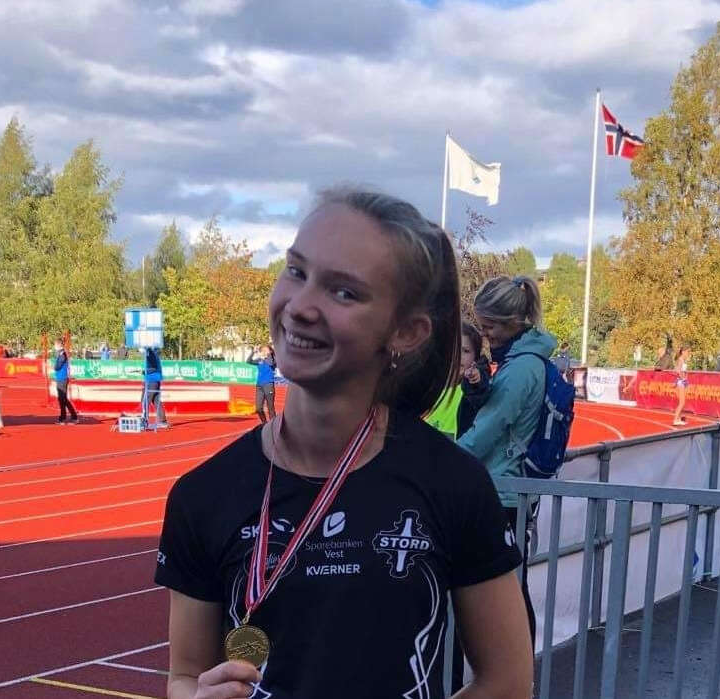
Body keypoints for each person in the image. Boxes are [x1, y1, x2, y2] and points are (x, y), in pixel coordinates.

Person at [155, 188, 532, 699]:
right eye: (296, 271)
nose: (300, 306)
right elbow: (184, 676)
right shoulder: (203, 495)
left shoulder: (454, 485)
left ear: (406, 332)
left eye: (344, 292)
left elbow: (508, 683)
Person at [457, 274, 555, 651]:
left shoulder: (520, 370)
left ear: (513, 322)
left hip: (502, 490)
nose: (486, 335)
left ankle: (518, 674)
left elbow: (488, 430)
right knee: (511, 589)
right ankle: (520, 674)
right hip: (508, 489)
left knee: (507, 594)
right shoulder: (525, 362)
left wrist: (440, 462)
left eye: (490, 327)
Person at [247, 344, 277, 424]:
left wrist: (268, 354)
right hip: (259, 386)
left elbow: (270, 363)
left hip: (268, 385)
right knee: (258, 408)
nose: (263, 351)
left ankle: (273, 426)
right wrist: (253, 352)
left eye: (265, 350)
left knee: (270, 408)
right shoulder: (259, 360)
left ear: (270, 351)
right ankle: (264, 423)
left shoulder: (273, 359)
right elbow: (248, 361)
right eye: (262, 350)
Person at [52, 340, 78, 425]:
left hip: (62, 379)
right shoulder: (60, 354)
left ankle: (71, 417)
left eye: (55, 345)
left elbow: (56, 367)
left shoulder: (62, 354)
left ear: (58, 345)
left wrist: (55, 365)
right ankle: (66, 418)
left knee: (63, 399)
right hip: (60, 378)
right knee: (62, 399)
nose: (54, 347)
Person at [144, 346, 169, 428]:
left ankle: (144, 421)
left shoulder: (151, 354)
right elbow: (154, 368)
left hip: (151, 380)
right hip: (156, 380)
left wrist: (145, 371)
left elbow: (153, 368)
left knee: (145, 401)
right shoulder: (155, 354)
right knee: (156, 400)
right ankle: (163, 421)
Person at [670, 347, 692, 426]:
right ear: (683, 352)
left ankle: (678, 419)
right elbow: (677, 371)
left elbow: (678, 371)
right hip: (681, 383)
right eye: (687, 352)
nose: (688, 353)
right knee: (682, 403)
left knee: (681, 402)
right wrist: (683, 379)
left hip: (681, 382)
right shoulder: (680, 360)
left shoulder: (682, 360)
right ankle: (675, 420)